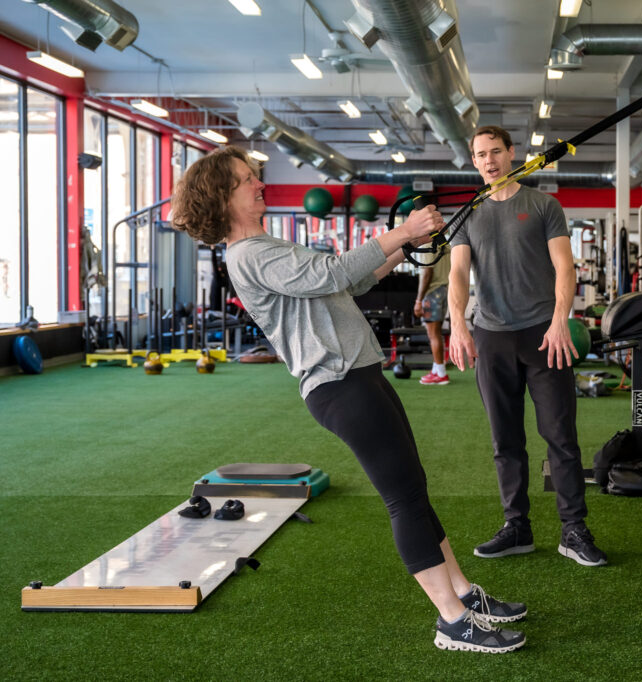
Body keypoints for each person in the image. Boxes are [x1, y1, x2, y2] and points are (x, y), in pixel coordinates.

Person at [171, 146, 525, 653]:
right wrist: (401, 231)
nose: (259, 183)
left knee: (414, 489)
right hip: (340, 385)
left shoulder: (267, 245)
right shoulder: (251, 254)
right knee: (403, 498)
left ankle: (464, 595)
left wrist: (411, 243)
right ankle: (451, 621)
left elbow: (351, 280)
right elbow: (331, 274)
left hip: (359, 374)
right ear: (223, 196)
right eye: (248, 179)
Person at [447, 126, 607, 567]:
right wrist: (457, 323)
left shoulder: (542, 205)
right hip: (491, 335)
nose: (489, 160)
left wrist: (560, 321)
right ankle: (516, 526)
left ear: (512, 153)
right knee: (506, 439)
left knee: (561, 436)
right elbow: (459, 273)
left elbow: (564, 267)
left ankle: (573, 529)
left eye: (495, 151)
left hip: (543, 335)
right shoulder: (467, 213)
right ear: (473, 160)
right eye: (480, 154)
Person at [413, 243, 451, 385]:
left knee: (433, 334)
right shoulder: (445, 245)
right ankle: (436, 370)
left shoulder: (427, 246)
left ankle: (441, 374)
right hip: (445, 291)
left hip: (432, 294)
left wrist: (419, 300)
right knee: (437, 333)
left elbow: (427, 273)